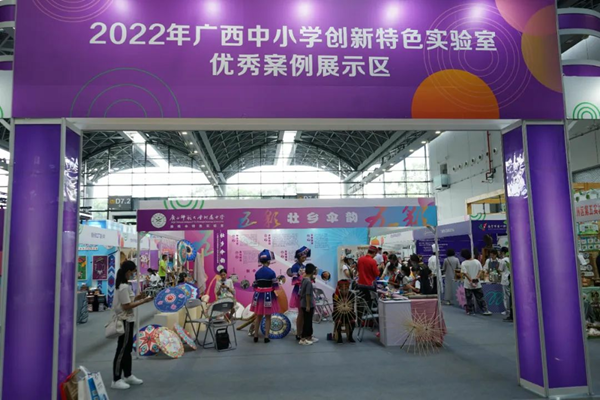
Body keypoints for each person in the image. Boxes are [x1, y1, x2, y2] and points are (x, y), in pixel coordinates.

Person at [111, 261, 154, 390]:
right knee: (122, 349)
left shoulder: (124, 285)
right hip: (125, 320)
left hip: (128, 320)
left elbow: (128, 302)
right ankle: (116, 379)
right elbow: (126, 306)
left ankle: (127, 374)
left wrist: (137, 298)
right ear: (128, 271)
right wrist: (143, 301)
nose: (134, 274)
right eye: (133, 272)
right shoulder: (123, 287)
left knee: (127, 349)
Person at [251, 250, 280, 343]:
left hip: (258, 296)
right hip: (268, 296)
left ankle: (255, 336)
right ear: (268, 261)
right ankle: (266, 337)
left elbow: (255, 285)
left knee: (258, 316)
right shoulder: (272, 272)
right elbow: (275, 286)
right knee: (268, 317)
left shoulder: (257, 272)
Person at [460, 249, 492, 316]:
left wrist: (470, 280)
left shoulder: (463, 263)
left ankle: (471, 311)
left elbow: (465, 273)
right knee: (480, 297)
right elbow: (480, 270)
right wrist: (477, 277)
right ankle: (485, 310)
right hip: (477, 283)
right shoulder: (477, 262)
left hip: (468, 284)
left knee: (469, 298)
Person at [290, 246, 310, 340]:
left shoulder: (304, 266)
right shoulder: (295, 267)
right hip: (298, 291)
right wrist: (303, 278)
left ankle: (303, 332)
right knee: (301, 312)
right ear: (298, 257)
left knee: (304, 313)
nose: (304, 258)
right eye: (302, 257)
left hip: (305, 290)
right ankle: (298, 333)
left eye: (305, 257)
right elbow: (294, 281)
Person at [299, 263, 318, 346]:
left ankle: (308, 337)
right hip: (307, 304)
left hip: (303, 303)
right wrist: (308, 305)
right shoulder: (308, 282)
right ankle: (303, 338)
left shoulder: (304, 279)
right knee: (307, 322)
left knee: (308, 321)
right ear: (313, 271)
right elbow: (307, 294)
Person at [333, 279, 356, 343]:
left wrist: (348, 308)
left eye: (345, 289)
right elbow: (335, 307)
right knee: (338, 322)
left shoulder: (351, 295)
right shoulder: (336, 295)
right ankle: (339, 336)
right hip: (338, 314)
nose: (344, 291)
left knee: (353, 321)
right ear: (339, 289)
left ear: (348, 288)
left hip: (349, 313)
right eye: (342, 290)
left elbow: (352, 307)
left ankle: (350, 336)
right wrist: (340, 308)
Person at [499, 247, 513, 322]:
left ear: (503, 252)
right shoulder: (511, 258)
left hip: (505, 279)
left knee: (506, 296)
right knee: (510, 296)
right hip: (510, 279)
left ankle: (507, 310)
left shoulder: (503, 260)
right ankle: (510, 310)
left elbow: (500, 269)